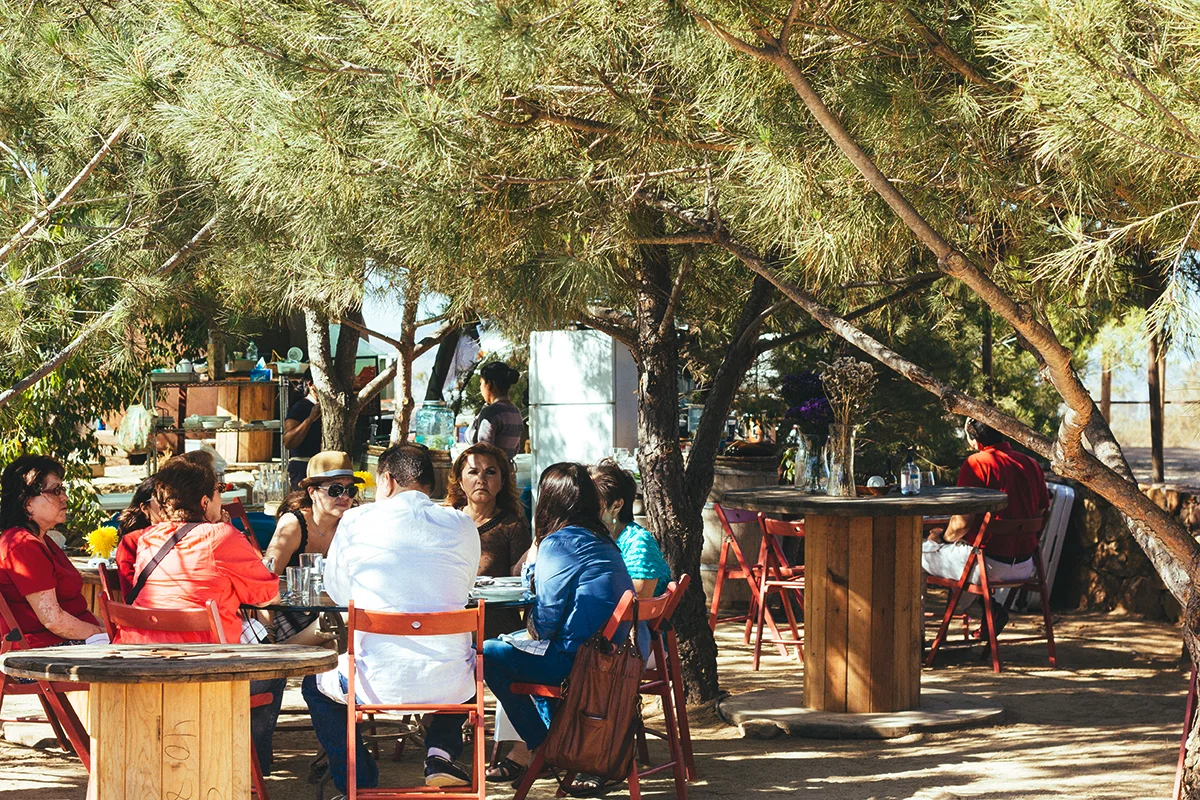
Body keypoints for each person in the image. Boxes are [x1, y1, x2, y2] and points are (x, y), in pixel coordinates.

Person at [302, 444, 481, 796]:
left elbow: (340, 593)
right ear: (431, 484)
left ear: (385, 481)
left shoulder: (355, 521)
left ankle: (357, 778)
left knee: (314, 686)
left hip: (371, 682)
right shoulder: (462, 523)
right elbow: (466, 586)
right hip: (452, 685)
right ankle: (440, 752)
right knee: (469, 658)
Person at [120, 458, 284, 773]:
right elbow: (267, 596)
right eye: (218, 492)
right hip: (207, 675)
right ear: (205, 501)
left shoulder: (148, 539)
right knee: (273, 672)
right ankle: (248, 769)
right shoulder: (220, 536)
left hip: (143, 670)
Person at [482, 462, 643, 783]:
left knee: (486, 654)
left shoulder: (559, 541)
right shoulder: (603, 539)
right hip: (607, 659)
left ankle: (542, 746)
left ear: (549, 501)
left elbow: (543, 626)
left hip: (577, 663)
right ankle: (551, 743)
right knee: (517, 647)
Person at [922, 418, 1051, 638]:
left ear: (975, 440)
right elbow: (1040, 512)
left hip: (987, 565)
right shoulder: (1031, 464)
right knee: (966, 556)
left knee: (917, 556)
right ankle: (992, 610)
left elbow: (961, 525)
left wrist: (941, 538)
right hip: (1026, 565)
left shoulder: (977, 463)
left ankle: (917, 640)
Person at [0, 456, 107, 647]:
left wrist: (110, 631)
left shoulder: (43, 540)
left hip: (66, 642)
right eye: (55, 490)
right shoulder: (22, 545)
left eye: (62, 489)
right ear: (27, 503)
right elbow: (53, 620)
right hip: (41, 652)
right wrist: (103, 635)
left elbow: (75, 609)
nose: (64, 497)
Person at [265, 451, 361, 574]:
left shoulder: (352, 524)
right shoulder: (293, 524)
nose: (345, 497)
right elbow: (268, 575)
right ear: (312, 493)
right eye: (336, 490)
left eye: (351, 490)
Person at [445, 443, 530, 579]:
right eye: (473, 472)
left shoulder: (513, 527)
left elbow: (520, 578)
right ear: (460, 481)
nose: (481, 480)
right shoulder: (446, 522)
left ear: (502, 482)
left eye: (490, 472)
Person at [590, 459, 671, 599]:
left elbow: (639, 599)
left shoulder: (638, 542)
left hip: (632, 619)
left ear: (616, 506)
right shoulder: (600, 537)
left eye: (593, 503)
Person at [113, 476, 161, 599]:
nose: (169, 505)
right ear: (145, 508)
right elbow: (131, 597)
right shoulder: (132, 542)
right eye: (161, 499)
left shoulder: (189, 537)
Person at [469, 361, 524, 459]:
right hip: (506, 469)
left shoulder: (491, 413)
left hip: (491, 470)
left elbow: (484, 450)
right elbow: (516, 448)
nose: (480, 388)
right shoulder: (515, 411)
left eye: (481, 383)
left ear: (489, 384)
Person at [283, 373, 323, 489]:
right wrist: (310, 419)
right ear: (311, 385)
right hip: (303, 470)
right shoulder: (300, 407)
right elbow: (288, 442)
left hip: (322, 468)